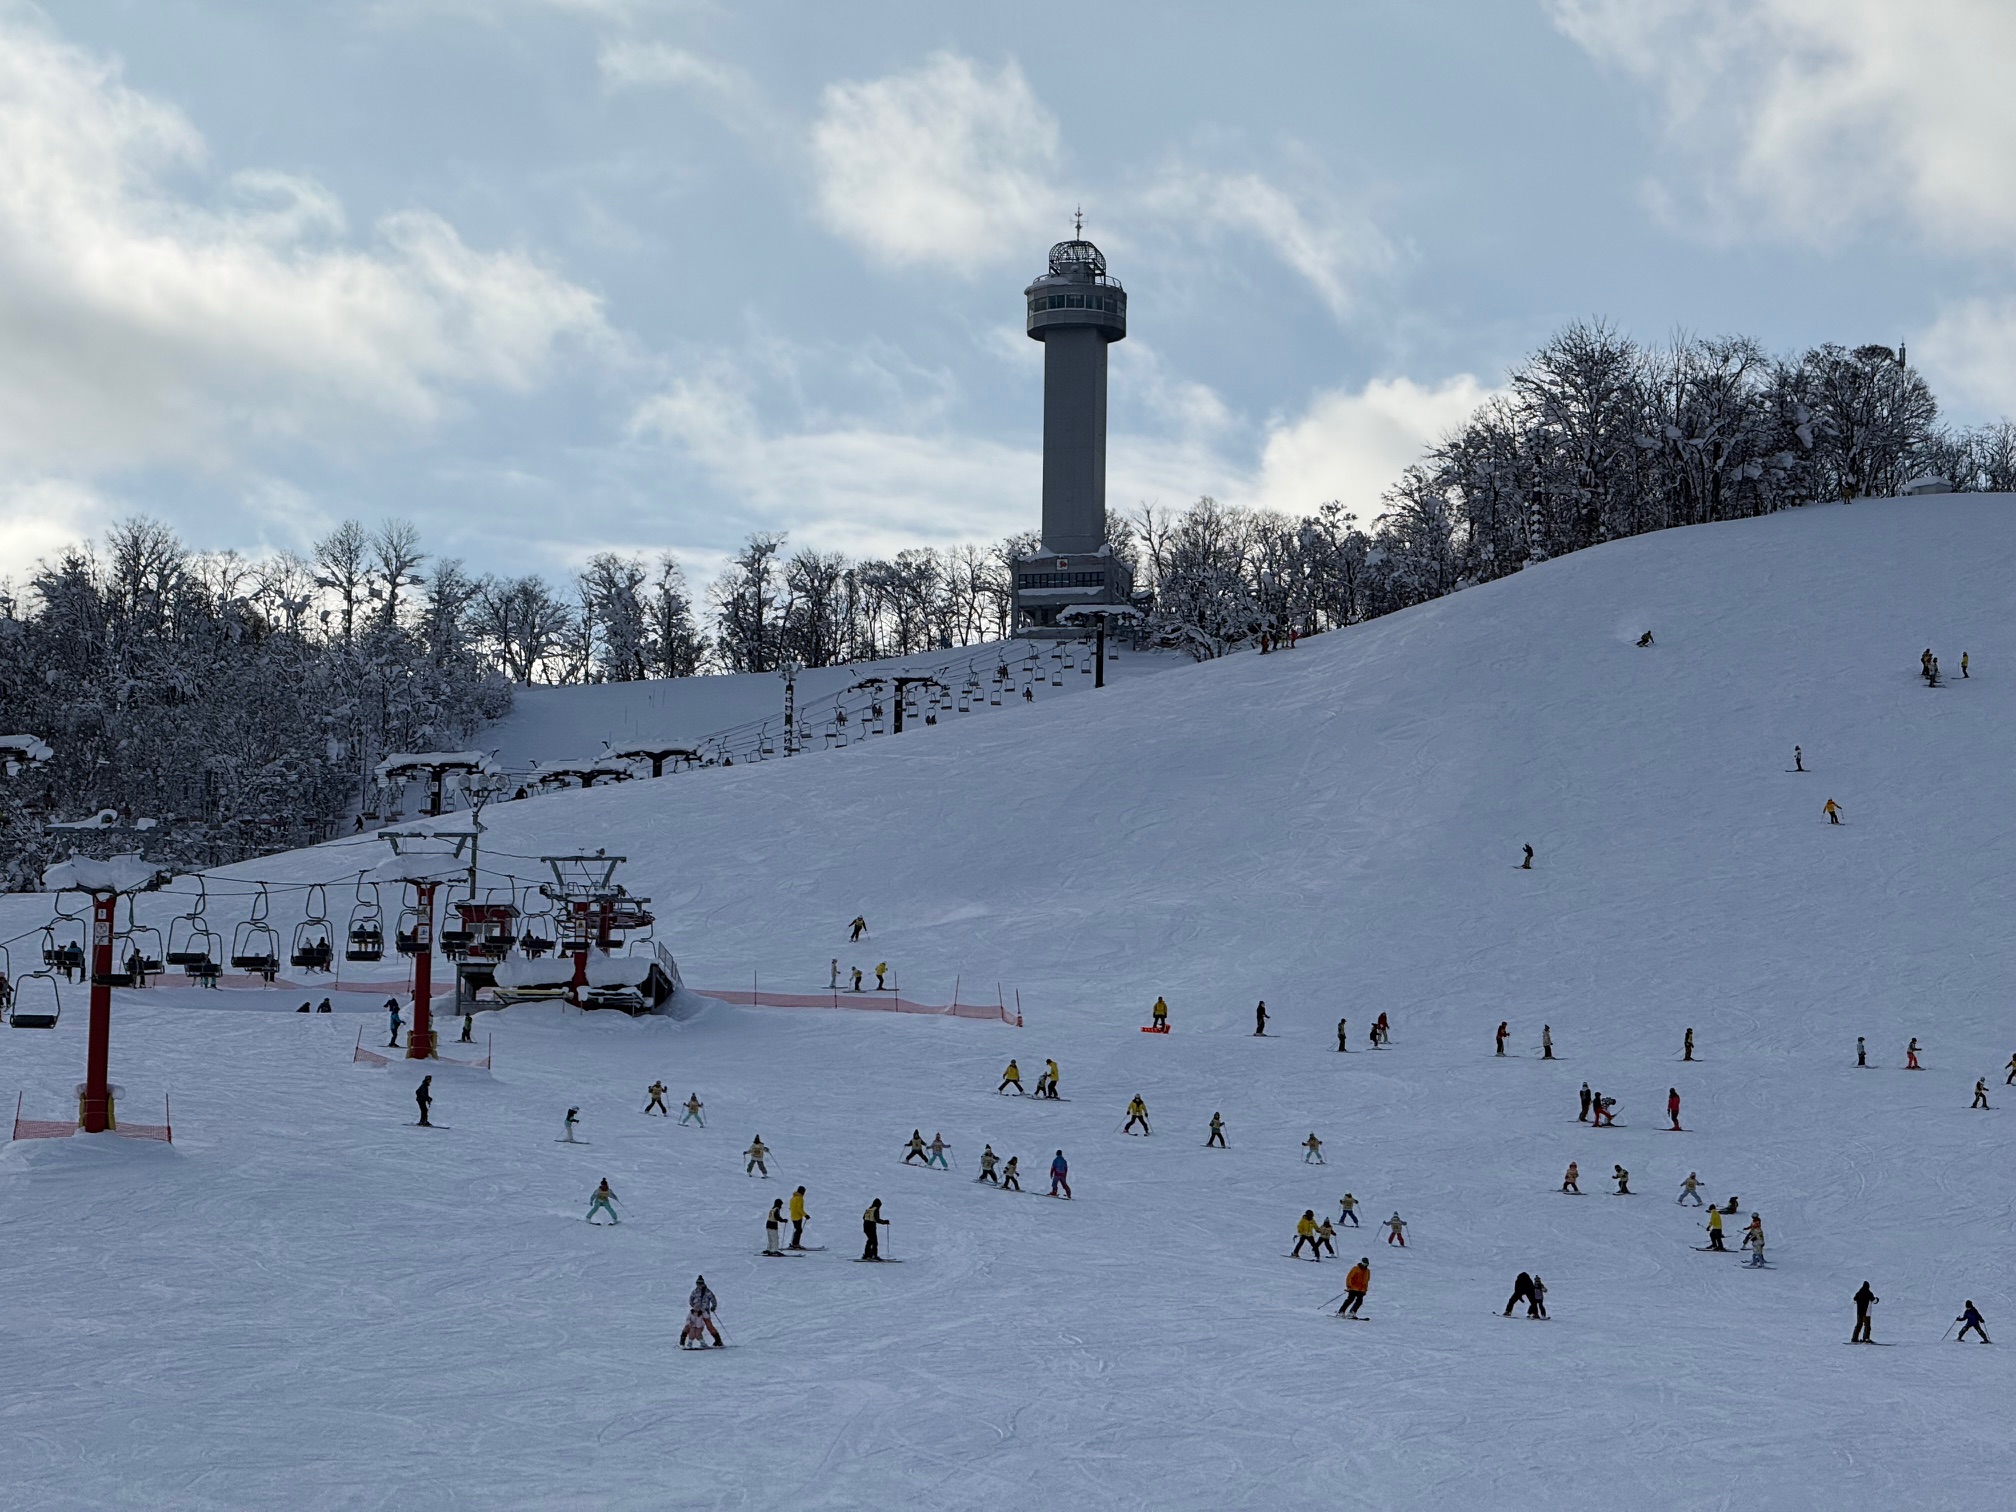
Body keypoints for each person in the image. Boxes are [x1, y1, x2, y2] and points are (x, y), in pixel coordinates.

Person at [683, 1276, 723, 1348]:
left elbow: (713, 1299)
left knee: (709, 1326)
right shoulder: (695, 1291)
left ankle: (718, 1340)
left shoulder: (707, 1291)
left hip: (705, 1312)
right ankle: (690, 1341)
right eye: (698, 1284)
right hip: (696, 1313)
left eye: (700, 1284)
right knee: (693, 1326)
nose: (699, 1285)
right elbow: (690, 1300)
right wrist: (694, 1307)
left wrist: (713, 1306)